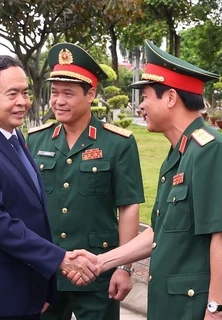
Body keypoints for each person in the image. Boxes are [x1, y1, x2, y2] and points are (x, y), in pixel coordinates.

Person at [73, 40, 222, 320]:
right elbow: (159, 233)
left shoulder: (210, 152)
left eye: (147, 96)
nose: (141, 106)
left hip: (199, 310)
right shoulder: (178, 154)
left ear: (171, 98)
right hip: (175, 307)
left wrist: (215, 311)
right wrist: (102, 261)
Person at [0, 55, 99, 320]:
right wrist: (60, 259)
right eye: (12, 94)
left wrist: (40, 285)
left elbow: (31, 214)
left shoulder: (12, 135)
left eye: (26, 93)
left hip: (21, 289)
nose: (23, 102)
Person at [26, 43, 145, 320]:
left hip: (98, 273)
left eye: (68, 93)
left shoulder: (118, 143)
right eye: (54, 93)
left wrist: (123, 268)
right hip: (48, 271)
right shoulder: (36, 140)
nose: (59, 101)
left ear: (91, 94)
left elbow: (128, 207)